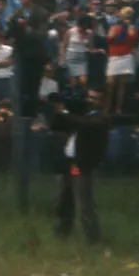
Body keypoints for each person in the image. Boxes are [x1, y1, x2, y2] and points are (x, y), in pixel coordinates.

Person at [50, 88, 110, 243]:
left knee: (84, 204)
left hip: (82, 165)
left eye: (95, 99)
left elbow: (85, 125)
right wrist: (61, 110)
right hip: (67, 162)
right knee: (63, 201)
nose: (90, 101)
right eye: (89, 97)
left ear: (102, 102)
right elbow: (56, 125)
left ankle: (93, 239)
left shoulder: (101, 118)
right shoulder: (78, 116)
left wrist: (66, 113)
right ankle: (62, 233)